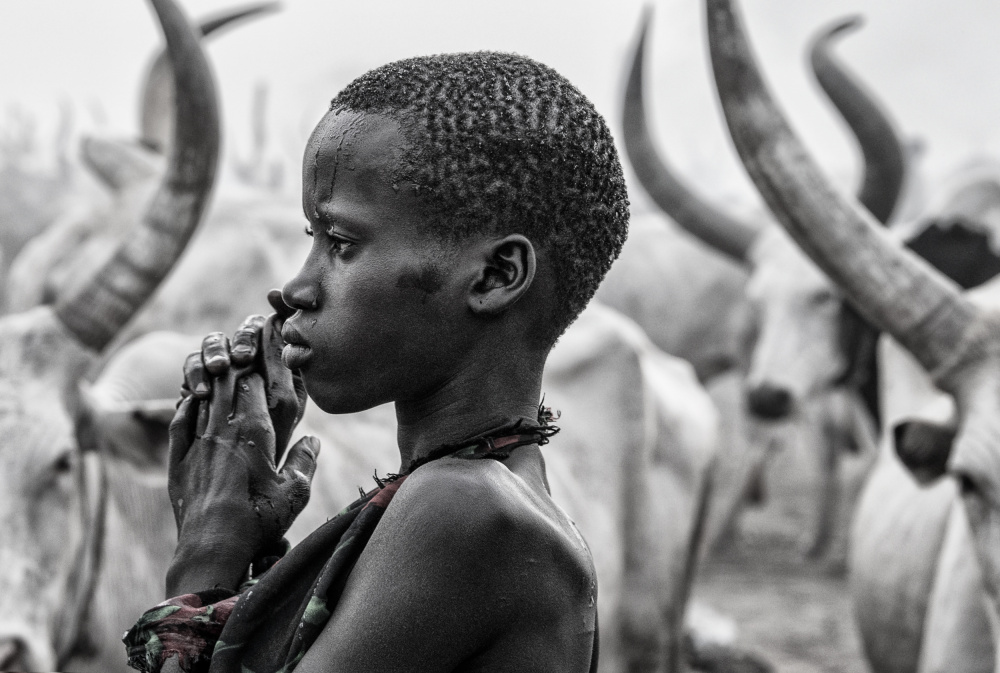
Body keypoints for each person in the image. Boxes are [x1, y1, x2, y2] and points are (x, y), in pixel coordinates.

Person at [124, 51, 629, 673]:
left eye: (340, 243)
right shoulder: (477, 498)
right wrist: (251, 550)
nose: (296, 288)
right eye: (311, 238)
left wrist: (206, 551)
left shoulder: (465, 511)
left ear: (496, 276)